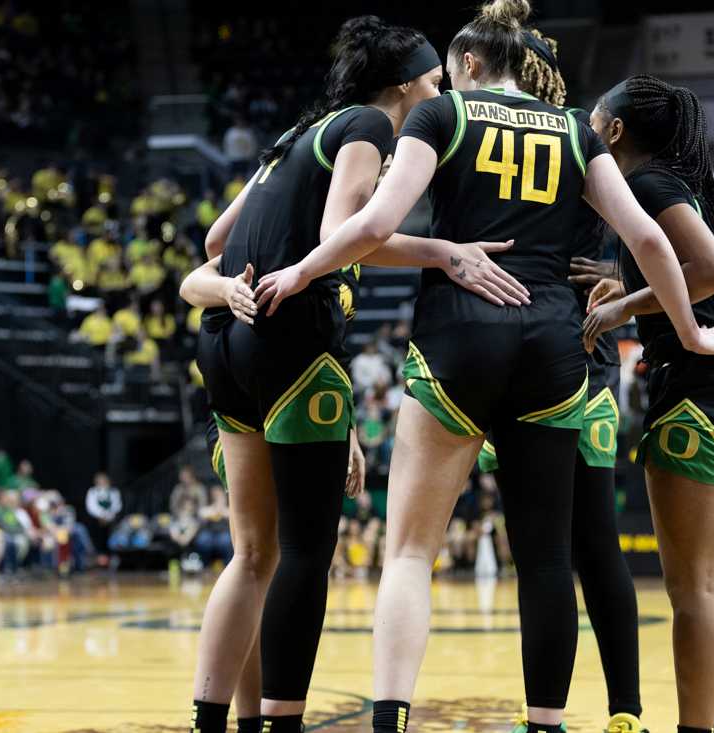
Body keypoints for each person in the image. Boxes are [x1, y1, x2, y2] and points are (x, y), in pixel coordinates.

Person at [255, 8, 714, 732]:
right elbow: (646, 236)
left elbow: (374, 225)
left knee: (411, 551)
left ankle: (390, 715)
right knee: (546, 558)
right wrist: (691, 330)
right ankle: (545, 721)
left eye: (447, 72)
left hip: (461, 333)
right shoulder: (577, 130)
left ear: (470, 63)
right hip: (554, 345)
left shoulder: (445, 115)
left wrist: (302, 269)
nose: (440, 83)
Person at [182, 17, 526, 733]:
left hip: (228, 344)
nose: (440, 93)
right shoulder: (370, 124)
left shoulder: (294, 138)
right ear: (405, 85)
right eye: (433, 82)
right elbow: (349, 229)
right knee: (307, 553)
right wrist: (444, 251)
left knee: (251, 554)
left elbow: (216, 241)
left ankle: (215, 721)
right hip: (292, 342)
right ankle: (281, 721)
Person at [581, 73, 714, 733]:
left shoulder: (645, 184)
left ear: (613, 131)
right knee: (710, 585)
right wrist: (627, 279)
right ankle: (711, 723)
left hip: (702, 390)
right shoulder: (673, 187)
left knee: (691, 589)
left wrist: (621, 307)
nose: (586, 117)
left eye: (594, 112)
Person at [476, 26, 647, 732]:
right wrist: (625, 275)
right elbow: (650, 230)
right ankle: (625, 711)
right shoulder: (577, 140)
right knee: (591, 544)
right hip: (581, 358)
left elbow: (653, 226)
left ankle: (551, 714)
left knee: (549, 550)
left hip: (541, 359)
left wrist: (621, 278)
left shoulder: (547, 137)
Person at [85, 472, 122, 556]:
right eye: (99, 481)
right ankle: (98, 554)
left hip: (111, 519)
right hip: (96, 519)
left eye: (104, 481)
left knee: (112, 533)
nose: (102, 483)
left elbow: (117, 506)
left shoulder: (114, 492)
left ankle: (112, 553)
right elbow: (91, 506)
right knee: (97, 535)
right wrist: (101, 515)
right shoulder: (92, 492)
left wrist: (108, 516)